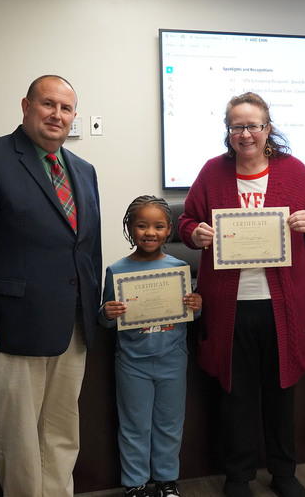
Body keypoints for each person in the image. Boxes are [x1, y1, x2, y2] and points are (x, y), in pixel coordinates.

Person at [0, 75, 102, 496]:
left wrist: (95, 312)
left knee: (62, 432)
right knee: (19, 440)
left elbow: (88, 251)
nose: (57, 115)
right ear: (26, 105)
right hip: (12, 328)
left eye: (66, 108)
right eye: (48, 104)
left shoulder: (83, 171)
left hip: (71, 327)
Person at [178, 92, 305, 497]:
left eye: (253, 125)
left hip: (284, 305)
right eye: (236, 126)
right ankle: (238, 477)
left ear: (268, 129)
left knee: (282, 393)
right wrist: (194, 234)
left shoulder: (293, 171)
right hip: (229, 306)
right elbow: (187, 221)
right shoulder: (213, 172)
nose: (245, 134)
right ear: (228, 132)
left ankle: (284, 473)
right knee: (236, 395)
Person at [99, 195, 202, 497]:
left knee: (170, 424)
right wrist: (106, 313)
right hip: (132, 362)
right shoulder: (116, 270)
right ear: (130, 229)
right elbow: (104, 318)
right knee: (134, 426)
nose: (150, 232)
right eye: (141, 226)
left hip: (173, 359)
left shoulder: (180, 267)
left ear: (169, 229)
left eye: (158, 226)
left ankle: (167, 481)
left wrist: (197, 305)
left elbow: (192, 312)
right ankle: (135, 485)